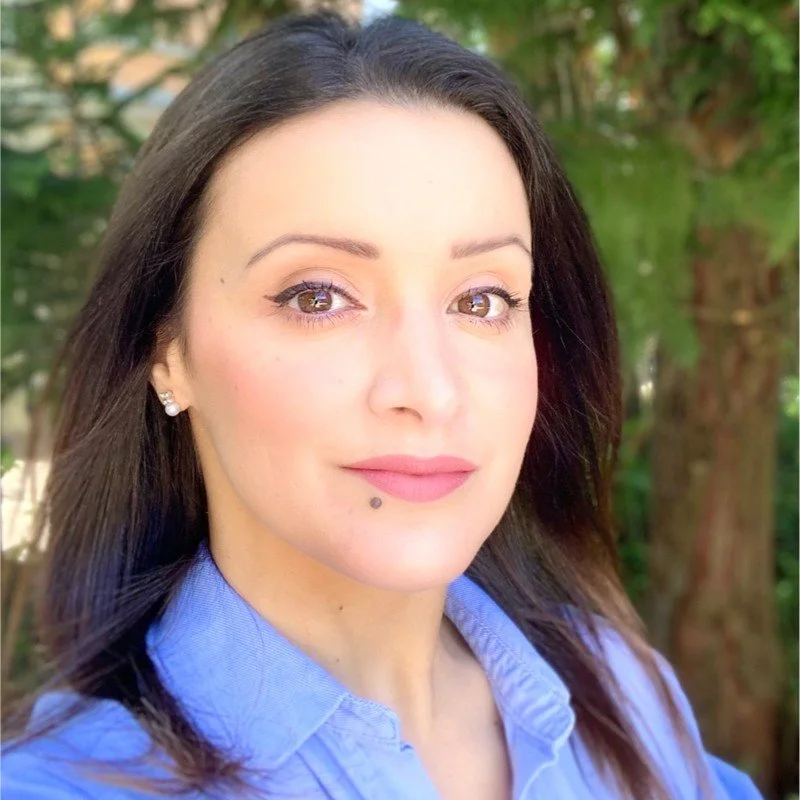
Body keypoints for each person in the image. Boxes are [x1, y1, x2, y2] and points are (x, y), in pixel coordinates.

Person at [1, 9, 764, 800]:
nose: (428, 391)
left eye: (482, 301)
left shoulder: (624, 703)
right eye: (317, 296)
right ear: (169, 352)